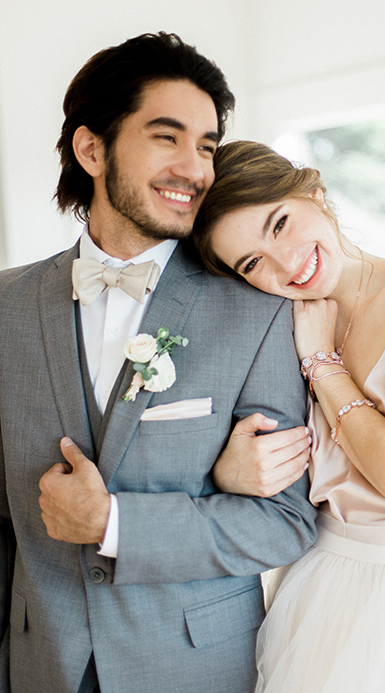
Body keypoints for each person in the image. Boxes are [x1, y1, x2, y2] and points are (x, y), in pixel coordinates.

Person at [0, 35, 318, 693]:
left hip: (192, 667)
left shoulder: (257, 311)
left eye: (205, 145)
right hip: (38, 667)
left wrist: (114, 524)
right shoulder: (5, 307)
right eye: (166, 137)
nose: (195, 168)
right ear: (92, 150)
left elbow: (285, 523)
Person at [193, 139, 385, 692]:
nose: (285, 264)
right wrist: (229, 473)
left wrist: (323, 366)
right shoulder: (277, 325)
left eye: (279, 224)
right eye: (252, 263)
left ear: (314, 193)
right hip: (324, 593)